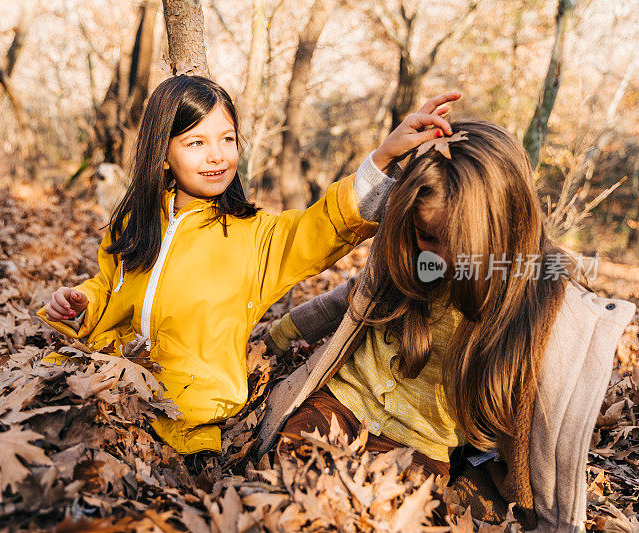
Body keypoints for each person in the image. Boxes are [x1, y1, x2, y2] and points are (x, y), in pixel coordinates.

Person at [37, 74, 460, 455]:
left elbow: (321, 228)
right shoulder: (135, 222)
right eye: (196, 143)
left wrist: (384, 156)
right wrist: (83, 303)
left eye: (227, 139)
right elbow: (110, 283)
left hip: (190, 409)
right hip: (112, 385)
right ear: (162, 154)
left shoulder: (253, 235)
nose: (217, 156)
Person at [258, 119, 636, 529]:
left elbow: (537, 415)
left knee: (398, 517)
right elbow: (346, 297)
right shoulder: (405, 258)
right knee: (290, 467)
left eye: (453, 241)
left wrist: (534, 504)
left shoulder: (525, 300)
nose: (436, 254)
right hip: (343, 402)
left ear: (501, 229)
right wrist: (279, 337)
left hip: (422, 444)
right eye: (426, 234)